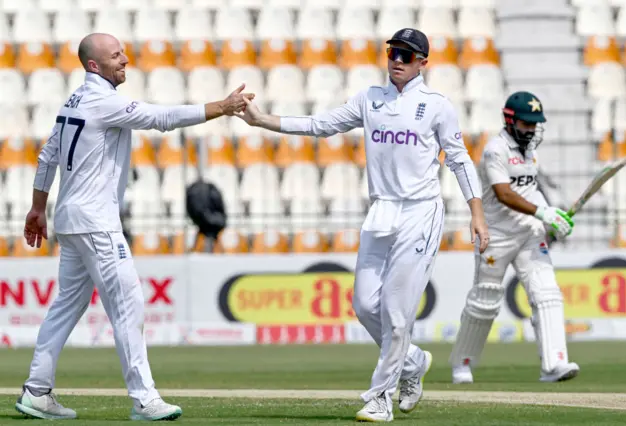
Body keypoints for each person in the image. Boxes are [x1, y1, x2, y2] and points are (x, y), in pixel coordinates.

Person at [234, 28, 489, 423]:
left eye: (406, 55)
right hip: (382, 210)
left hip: (420, 212)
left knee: (396, 311)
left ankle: (380, 398)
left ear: (423, 62)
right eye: (393, 53)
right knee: (365, 304)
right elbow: (320, 124)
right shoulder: (370, 99)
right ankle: (413, 362)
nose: (397, 61)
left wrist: (476, 212)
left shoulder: (437, 105)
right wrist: (262, 120)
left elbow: (459, 159)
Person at [17, 33, 253, 421]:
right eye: (116, 55)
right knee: (128, 305)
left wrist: (37, 209)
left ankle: (37, 390)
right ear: (94, 65)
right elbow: (161, 119)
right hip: (96, 222)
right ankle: (144, 398)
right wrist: (222, 107)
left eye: (123, 52)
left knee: (66, 306)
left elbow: (47, 157)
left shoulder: (73, 99)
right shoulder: (105, 101)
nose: (125, 59)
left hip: (72, 220)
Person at [448, 91, 580, 385]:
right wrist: (543, 213)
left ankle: (554, 364)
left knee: (547, 293)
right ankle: (462, 363)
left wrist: (551, 218)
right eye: (526, 123)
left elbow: (528, 189)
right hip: (496, 235)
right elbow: (504, 193)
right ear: (510, 121)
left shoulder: (531, 147)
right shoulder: (495, 149)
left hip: (529, 233)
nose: (532, 129)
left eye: (535, 124)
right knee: (486, 301)